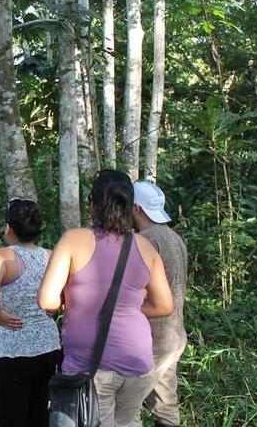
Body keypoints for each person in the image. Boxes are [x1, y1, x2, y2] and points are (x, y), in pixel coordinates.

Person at [38, 170, 174, 427]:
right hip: (139, 363)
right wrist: (128, 307)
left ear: (94, 203)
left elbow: (47, 301)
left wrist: (70, 303)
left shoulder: (73, 240)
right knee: (128, 420)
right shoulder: (146, 248)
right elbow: (164, 305)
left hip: (92, 364)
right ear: (130, 207)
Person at [0, 199, 61, 427]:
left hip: (11, 351)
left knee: (12, 417)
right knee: (41, 417)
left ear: (9, 227)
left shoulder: (1, 256)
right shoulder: (52, 256)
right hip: (48, 347)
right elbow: (62, 296)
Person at [132, 181, 188, 427]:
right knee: (166, 405)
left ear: (136, 209)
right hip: (173, 334)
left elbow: (135, 289)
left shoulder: (145, 241)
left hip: (152, 336)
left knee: (126, 405)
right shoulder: (174, 238)